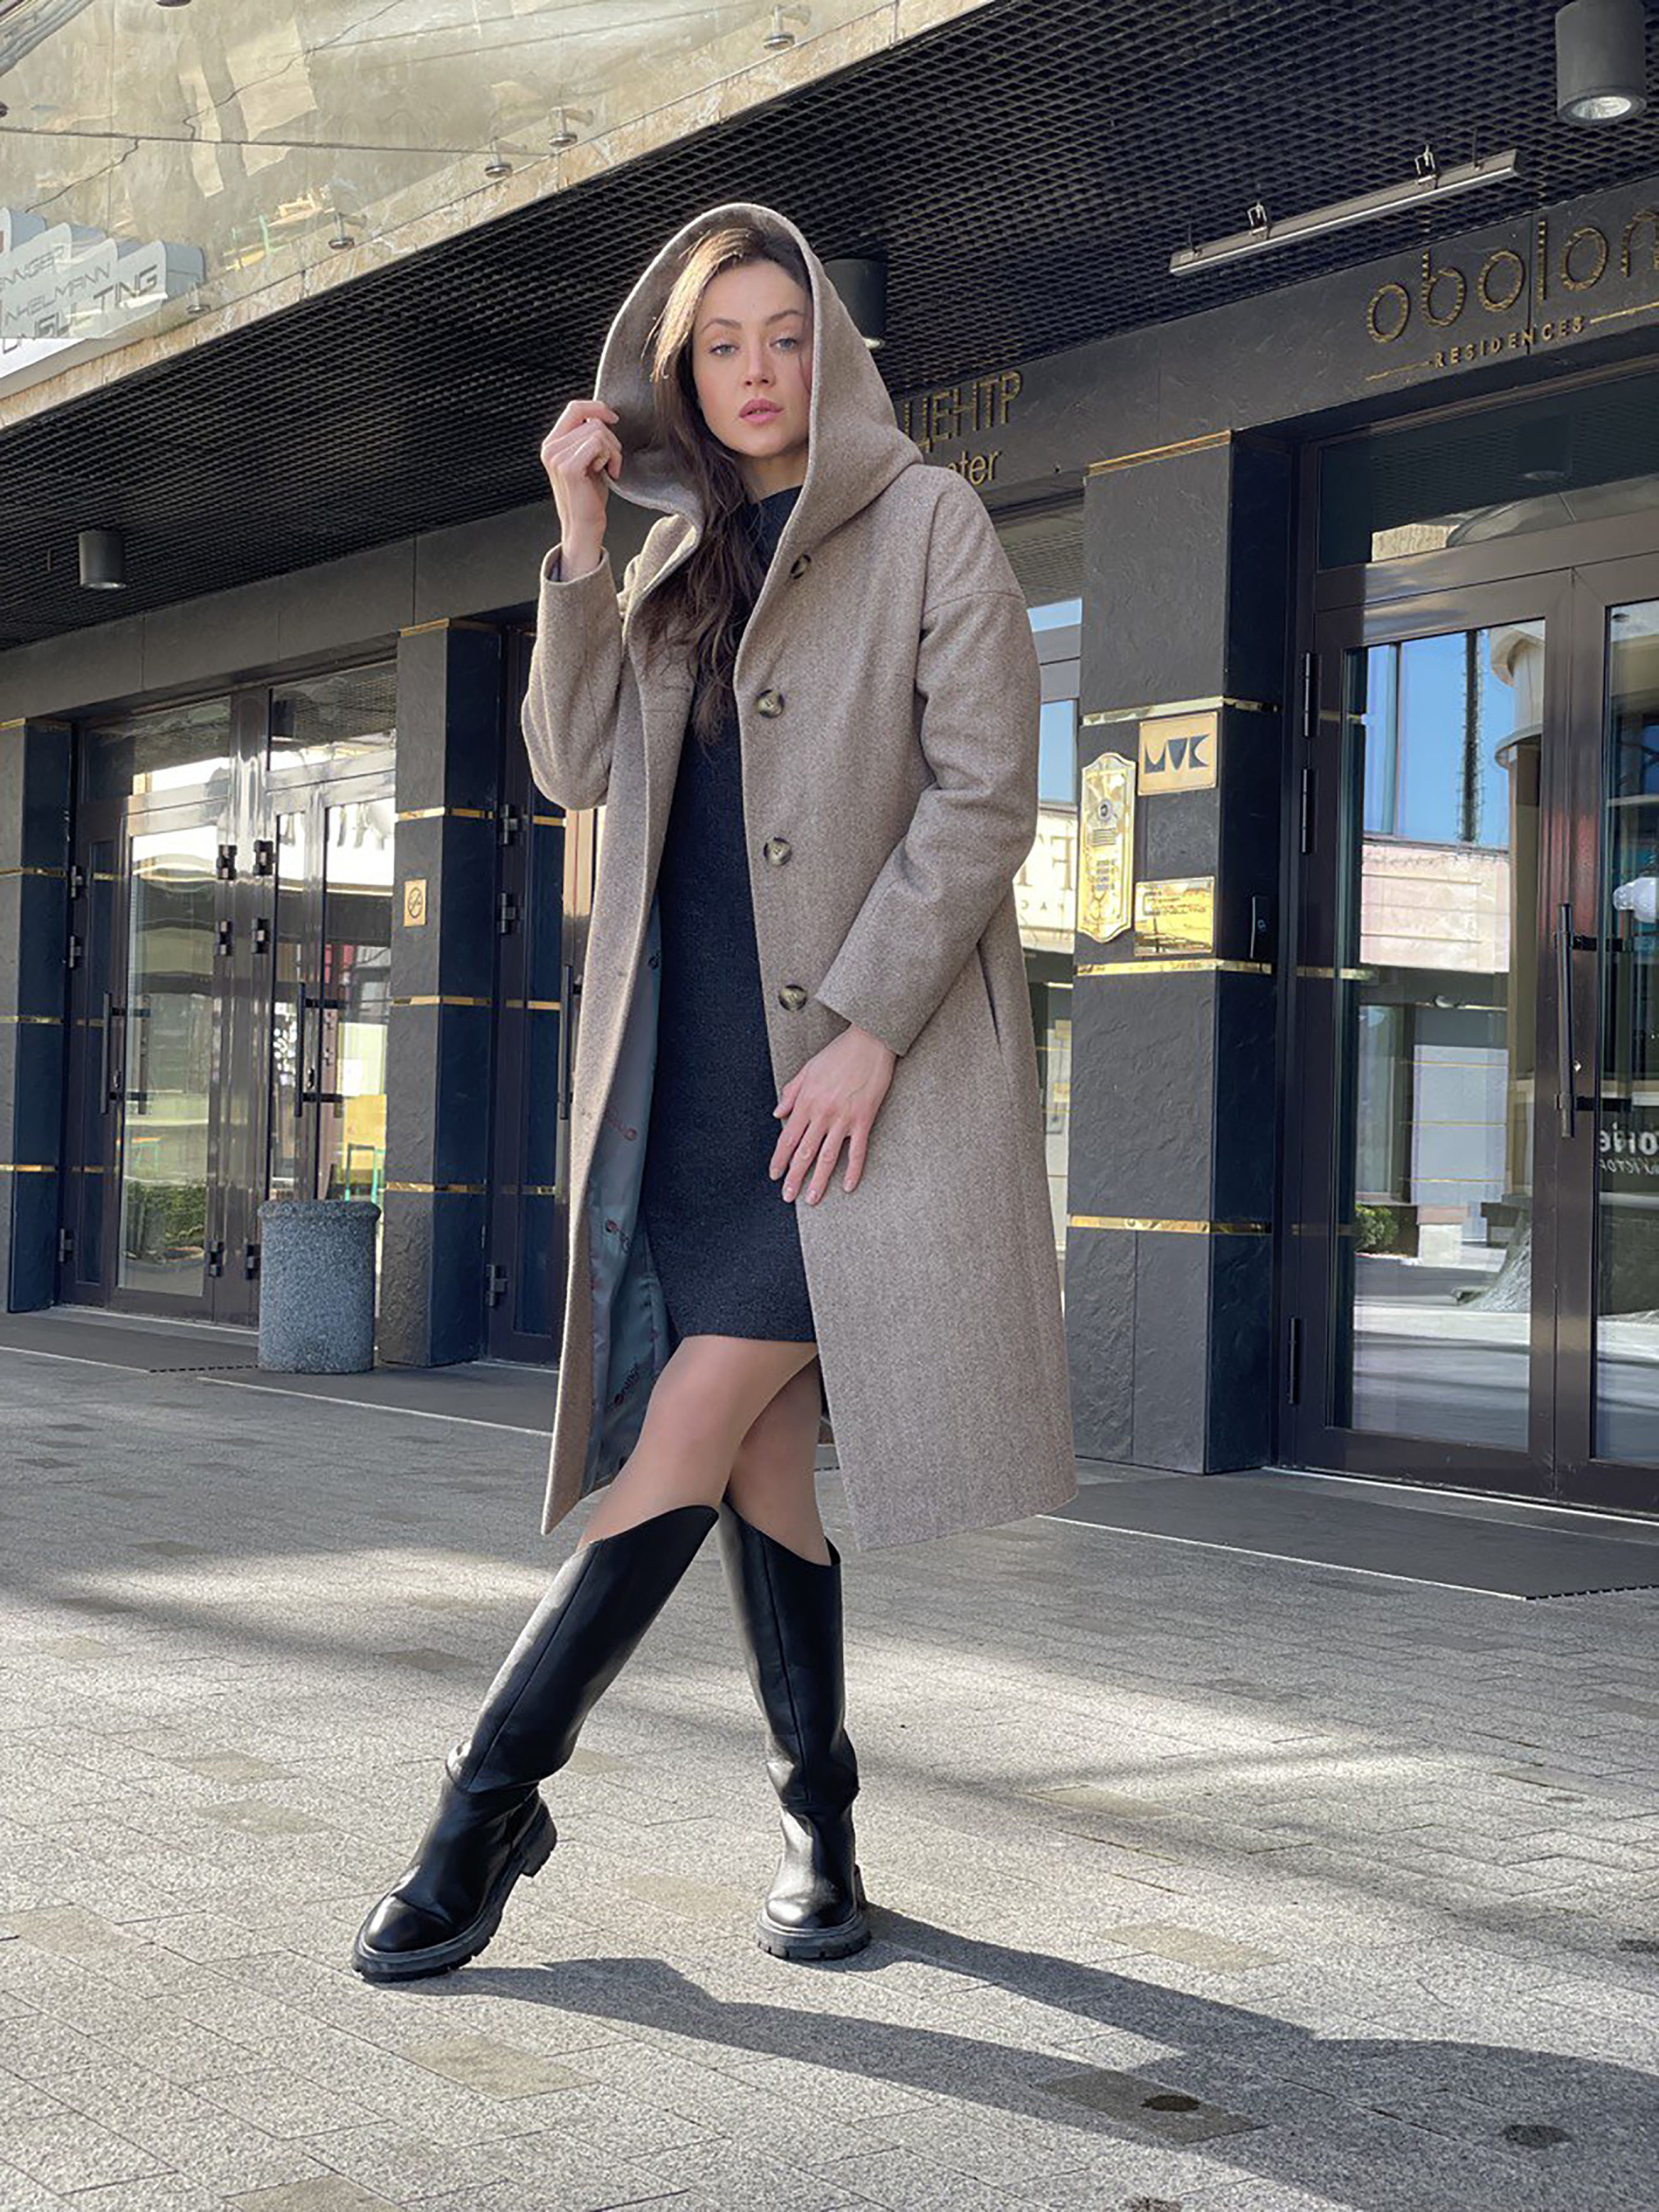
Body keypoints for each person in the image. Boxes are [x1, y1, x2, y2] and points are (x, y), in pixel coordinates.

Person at [350, 202, 1076, 1984]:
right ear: (680, 377)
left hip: (845, 1083)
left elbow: (984, 795)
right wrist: (579, 543)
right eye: (721, 346)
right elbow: (563, 765)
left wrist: (868, 1025)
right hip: (687, 1082)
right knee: (757, 1464)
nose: (756, 372)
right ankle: (820, 1823)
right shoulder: (674, 559)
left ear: (833, 351)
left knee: (684, 1425)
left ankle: (482, 1808)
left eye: (783, 335)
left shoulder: (928, 521)